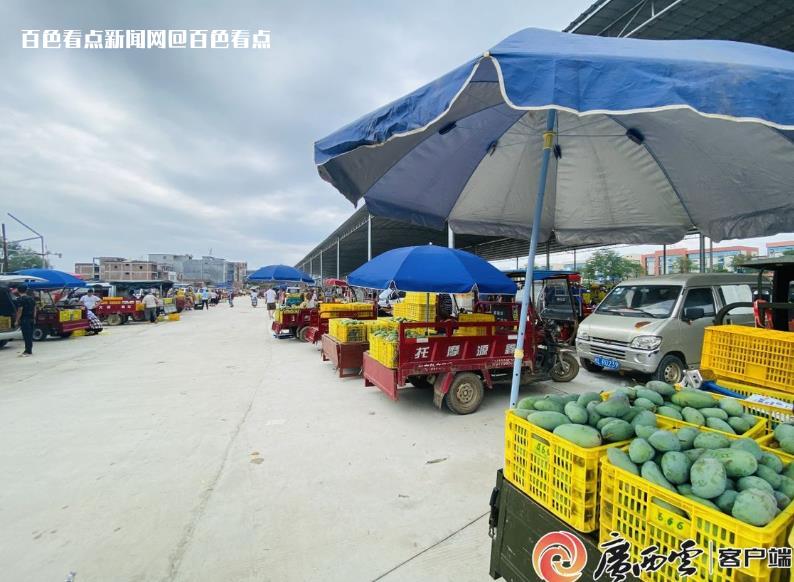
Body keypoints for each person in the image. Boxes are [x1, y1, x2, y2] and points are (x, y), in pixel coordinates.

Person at [13, 284, 36, 357]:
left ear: (18, 291)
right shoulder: (31, 298)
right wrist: (34, 317)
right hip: (31, 319)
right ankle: (29, 350)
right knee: (30, 335)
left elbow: (20, 310)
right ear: (26, 290)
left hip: (25, 319)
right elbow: (35, 308)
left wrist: (17, 320)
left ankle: (28, 351)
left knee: (26, 335)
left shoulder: (20, 299)